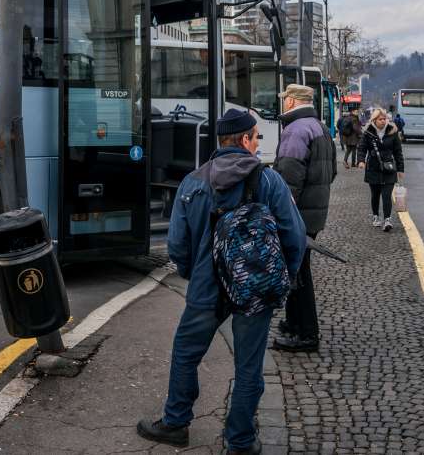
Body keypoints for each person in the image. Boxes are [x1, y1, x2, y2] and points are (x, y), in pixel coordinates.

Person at [136, 109, 306, 455]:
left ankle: (175, 422)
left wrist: (193, 273)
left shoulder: (192, 182)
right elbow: (295, 237)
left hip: (205, 287)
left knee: (186, 353)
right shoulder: (268, 181)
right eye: (256, 137)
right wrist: (280, 281)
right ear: (244, 140)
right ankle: (240, 441)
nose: (258, 143)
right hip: (254, 289)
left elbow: (177, 245)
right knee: (248, 366)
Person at [272, 84, 337, 353]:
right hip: (313, 213)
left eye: (284, 98)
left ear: (291, 101)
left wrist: (279, 214)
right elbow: (331, 172)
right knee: (298, 268)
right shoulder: (319, 127)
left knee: (298, 274)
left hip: (296, 215)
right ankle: (293, 322)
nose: (283, 102)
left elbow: (287, 180)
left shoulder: (295, 131)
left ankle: (306, 333)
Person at [357, 107, 405, 232]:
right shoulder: (368, 132)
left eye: (385, 119)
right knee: (375, 195)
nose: (383, 121)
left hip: (389, 168)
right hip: (373, 168)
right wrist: (361, 161)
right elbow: (362, 148)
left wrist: (400, 169)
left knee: (386, 195)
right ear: (374, 120)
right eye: (380, 119)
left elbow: (398, 152)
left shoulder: (393, 132)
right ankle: (376, 216)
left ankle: (387, 219)